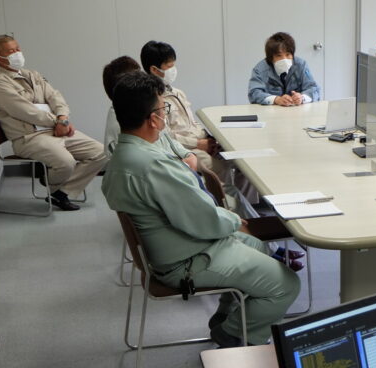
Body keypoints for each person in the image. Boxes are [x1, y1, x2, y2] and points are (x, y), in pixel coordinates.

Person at [102, 71, 300, 347]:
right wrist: (234, 220)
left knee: (256, 245)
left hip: (173, 248)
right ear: (153, 119)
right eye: (163, 109)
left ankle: (227, 315)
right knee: (286, 284)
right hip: (186, 259)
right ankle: (234, 333)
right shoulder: (154, 165)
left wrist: (229, 222)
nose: (165, 114)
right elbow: (202, 219)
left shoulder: (124, 155)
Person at [0, 34, 107, 211]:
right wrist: (59, 123)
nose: (17, 53)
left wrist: (63, 118)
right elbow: (25, 111)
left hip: (55, 130)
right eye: (11, 51)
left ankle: (62, 192)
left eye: (18, 48)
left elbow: (55, 97)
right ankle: (51, 179)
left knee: (101, 152)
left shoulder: (32, 75)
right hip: (29, 138)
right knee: (66, 163)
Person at [141, 40, 257, 217]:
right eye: (169, 66)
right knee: (220, 168)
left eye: (173, 64)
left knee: (244, 163)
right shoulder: (153, 99)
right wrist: (199, 144)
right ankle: (230, 211)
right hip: (186, 149)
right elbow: (164, 136)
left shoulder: (177, 92)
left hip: (200, 142)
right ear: (154, 70)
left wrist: (209, 139)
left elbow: (192, 123)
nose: (173, 69)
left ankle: (246, 208)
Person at [102, 55, 196, 168]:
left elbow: (167, 141)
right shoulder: (130, 122)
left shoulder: (142, 110)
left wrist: (188, 155)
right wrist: (185, 165)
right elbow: (156, 165)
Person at [248, 32, 320, 106]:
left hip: (298, 110)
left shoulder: (301, 65)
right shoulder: (260, 69)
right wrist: (276, 99)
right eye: (279, 55)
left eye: (288, 54)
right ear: (271, 58)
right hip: (271, 110)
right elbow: (253, 93)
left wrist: (302, 97)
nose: (284, 59)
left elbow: (314, 89)